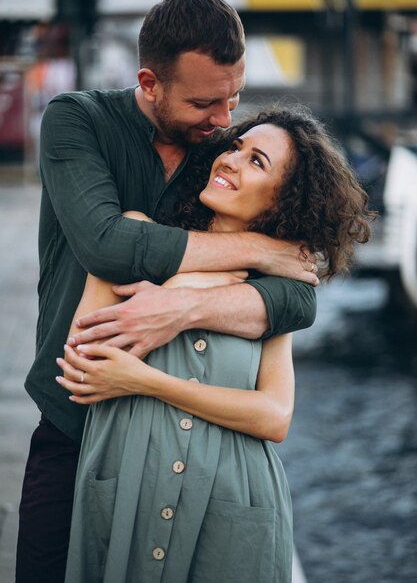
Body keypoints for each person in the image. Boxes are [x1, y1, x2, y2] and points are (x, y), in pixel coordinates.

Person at [16, 0, 318, 583]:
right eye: (206, 102)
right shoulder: (78, 122)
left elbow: (298, 296)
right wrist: (259, 250)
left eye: (233, 98)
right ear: (150, 83)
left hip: (189, 443)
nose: (225, 121)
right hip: (77, 416)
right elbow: (109, 246)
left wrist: (179, 310)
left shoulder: (221, 154)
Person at [57, 106, 375, 583]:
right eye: (234, 147)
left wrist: (147, 381)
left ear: (283, 199)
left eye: (257, 162)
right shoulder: (136, 234)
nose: (231, 160)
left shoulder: (274, 289)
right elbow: (80, 366)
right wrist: (201, 281)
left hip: (233, 500)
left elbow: (273, 416)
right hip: (130, 486)